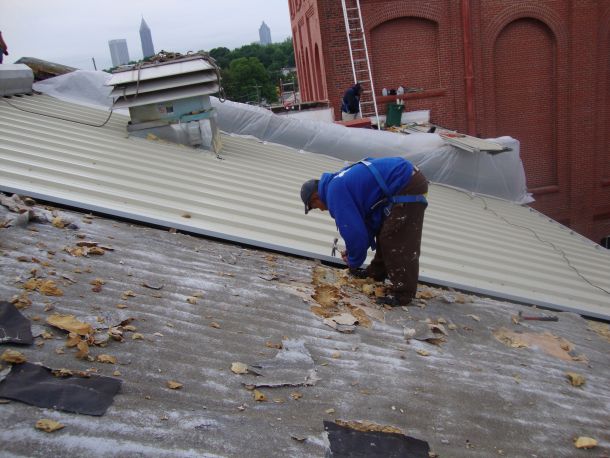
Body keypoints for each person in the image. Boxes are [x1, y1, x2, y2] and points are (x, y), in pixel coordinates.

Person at [301, 157, 428, 306]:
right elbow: (367, 225)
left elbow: (354, 232)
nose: (321, 209)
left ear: (315, 197)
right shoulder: (337, 184)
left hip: (406, 183)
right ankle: (376, 274)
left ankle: (403, 294)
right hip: (404, 180)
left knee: (395, 238)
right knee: (386, 232)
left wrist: (354, 262)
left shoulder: (334, 192)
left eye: (315, 206)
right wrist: (352, 251)